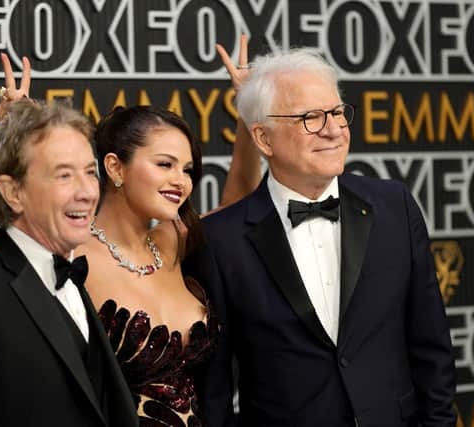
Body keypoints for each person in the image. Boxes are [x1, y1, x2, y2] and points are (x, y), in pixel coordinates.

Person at [0, 38, 261, 426]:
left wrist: (248, 109)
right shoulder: (67, 252)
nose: (181, 181)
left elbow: (238, 208)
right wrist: (11, 140)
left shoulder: (172, 241)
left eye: (187, 170)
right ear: (115, 168)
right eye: (165, 164)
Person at [185, 47, 457, 426]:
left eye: (338, 112)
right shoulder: (221, 240)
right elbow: (212, 389)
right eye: (310, 118)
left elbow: (433, 349)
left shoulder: (395, 208)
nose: (333, 129)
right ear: (264, 139)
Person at [0, 99, 138, 426]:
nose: (87, 192)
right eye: (63, 175)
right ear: (12, 192)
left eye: (90, 173)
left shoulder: (71, 276)